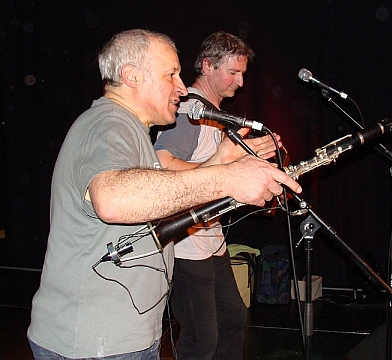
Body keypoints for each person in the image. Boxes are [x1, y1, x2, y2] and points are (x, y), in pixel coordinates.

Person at [26, 29, 301, 360]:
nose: (182, 87)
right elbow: (114, 199)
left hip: (121, 339)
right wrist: (227, 177)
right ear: (131, 76)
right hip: (96, 343)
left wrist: (220, 162)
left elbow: (160, 193)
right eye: (171, 74)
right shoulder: (109, 124)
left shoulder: (131, 130)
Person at [154, 32, 280, 360]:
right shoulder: (190, 110)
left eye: (242, 73)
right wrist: (226, 165)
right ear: (208, 66)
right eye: (233, 72)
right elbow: (164, 166)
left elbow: (218, 176)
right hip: (184, 243)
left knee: (234, 319)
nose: (239, 82)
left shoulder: (214, 113)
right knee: (201, 339)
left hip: (210, 239)